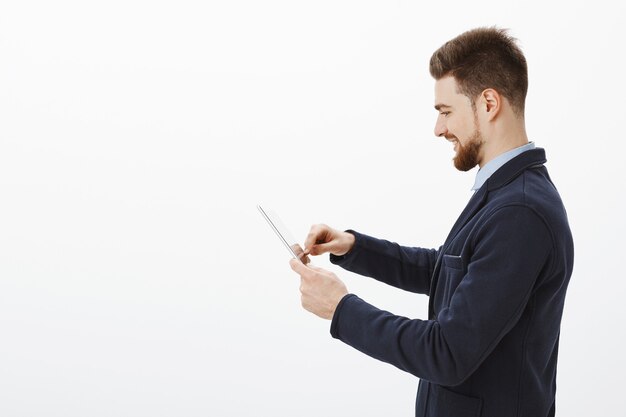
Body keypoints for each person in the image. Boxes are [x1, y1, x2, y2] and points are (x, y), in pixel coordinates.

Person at [289, 27, 574, 417]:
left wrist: (341, 309)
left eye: (445, 112)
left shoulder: (520, 212)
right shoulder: (506, 193)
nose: (438, 129)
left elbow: (447, 353)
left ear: (489, 103)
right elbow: (447, 268)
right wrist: (353, 247)